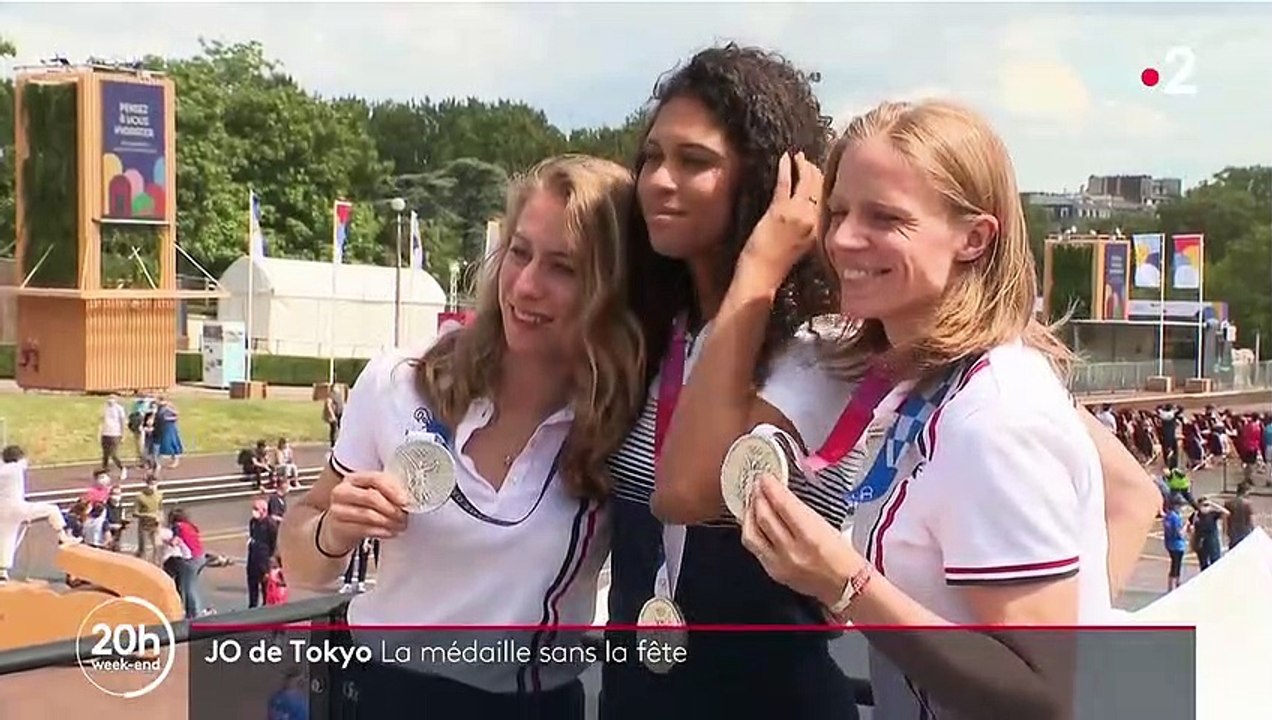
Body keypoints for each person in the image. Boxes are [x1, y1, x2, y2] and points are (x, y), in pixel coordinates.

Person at [665, 98, 1158, 718]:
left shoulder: (996, 417)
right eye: (838, 211)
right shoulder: (926, 385)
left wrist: (845, 584)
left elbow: (1043, 695)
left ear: (974, 238)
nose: (842, 238)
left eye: (885, 218)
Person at [278, 155, 644, 719]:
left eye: (564, 268)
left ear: (610, 287)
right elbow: (303, 563)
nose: (525, 286)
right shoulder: (398, 380)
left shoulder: (625, 421)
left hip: (532, 707)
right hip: (382, 696)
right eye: (519, 253)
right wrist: (332, 529)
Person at [601, 44, 858, 720]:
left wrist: (762, 266)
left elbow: (686, 490)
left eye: (695, 162)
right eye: (652, 158)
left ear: (767, 184)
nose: (658, 180)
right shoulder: (655, 336)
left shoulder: (820, 351)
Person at [0, 445, 79, 582]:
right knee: (52, 510)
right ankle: (63, 537)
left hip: (3, 509)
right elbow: (21, 464)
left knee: (7, 537)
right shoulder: (15, 468)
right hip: (16, 507)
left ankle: (2, 572)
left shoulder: (4, 469)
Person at [1162, 496, 1188, 591]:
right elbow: (1179, 532)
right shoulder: (1176, 517)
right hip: (1177, 544)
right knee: (1176, 565)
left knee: (1174, 563)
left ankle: (1173, 584)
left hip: (1169, 543)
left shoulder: (1168, 516)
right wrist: (1185, 527)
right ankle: (1174, 585)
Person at [1223, 481, 1255, 550]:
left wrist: (1225, 532)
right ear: (1246, 492)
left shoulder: (1229, 503)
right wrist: (1253, 530)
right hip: (1245, 531)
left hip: (1233, 532)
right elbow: (1251, 520)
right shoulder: (1247, 504)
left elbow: (1225, 519)